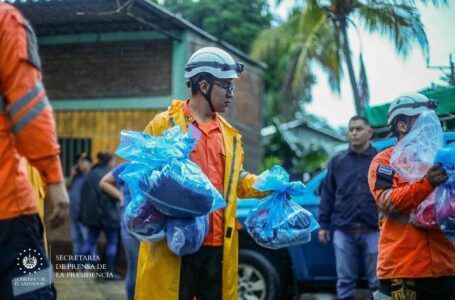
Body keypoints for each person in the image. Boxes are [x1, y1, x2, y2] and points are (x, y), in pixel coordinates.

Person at [134, 46, 268, 300]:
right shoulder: (164, 125)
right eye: (226, 86)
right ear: (204, 86)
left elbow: (236, 182)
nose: (232, 93)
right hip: (175, 244)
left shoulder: (230, 136)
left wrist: (268, 184)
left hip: (217, 249)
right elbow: (142, 181)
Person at [0, 3, 69, 299]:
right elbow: (29, 110)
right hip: (8, 215)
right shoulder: (5, 20)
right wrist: (54, 180)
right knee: (32, 289)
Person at [368, 92, 455, 299]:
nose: (432, 127)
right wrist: (427, 183)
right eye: (424, 120)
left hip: (447, 266)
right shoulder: (384, 162)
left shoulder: (442, 157)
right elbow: (386, 202)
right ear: (402, 125)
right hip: (403, 268)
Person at [318, 116, 379, 299]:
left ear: (369, 132)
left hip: (374, 230)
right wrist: (323, 225)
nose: (354, 132)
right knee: (344, 281)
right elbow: (327, 193)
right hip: (344, 231)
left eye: (358, 129)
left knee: (378, 281)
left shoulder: (380, 159)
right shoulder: (338, 161)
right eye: (351, 129)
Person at [79, 152, 121, 278]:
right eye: (113, 161)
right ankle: (109, 270)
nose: (115, 164)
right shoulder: (111, 175)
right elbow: (117, 194)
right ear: (109, 162)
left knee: (90, 241)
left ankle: (80, 267)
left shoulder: (90, 174)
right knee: (112, 243)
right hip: (110, 215)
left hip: (92, 217)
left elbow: (84, 196)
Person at [100, 162, 138, 300]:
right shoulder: (128, 166)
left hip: (153, 227)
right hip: (130, 225)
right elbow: (104, 182)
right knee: (134, 269)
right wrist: (120, 196)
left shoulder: (156, 165)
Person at [67, 152, 92, 262]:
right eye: (78, 162)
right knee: (76, 239)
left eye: (82, 162)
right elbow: (68, 186)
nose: (79, 164)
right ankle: (77, 264)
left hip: (85, 215)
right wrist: (72, 174)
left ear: (89, 163)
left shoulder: (91, 177)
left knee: (87, 239)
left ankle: (89, 263)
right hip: (74, 214)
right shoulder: (77, 176)